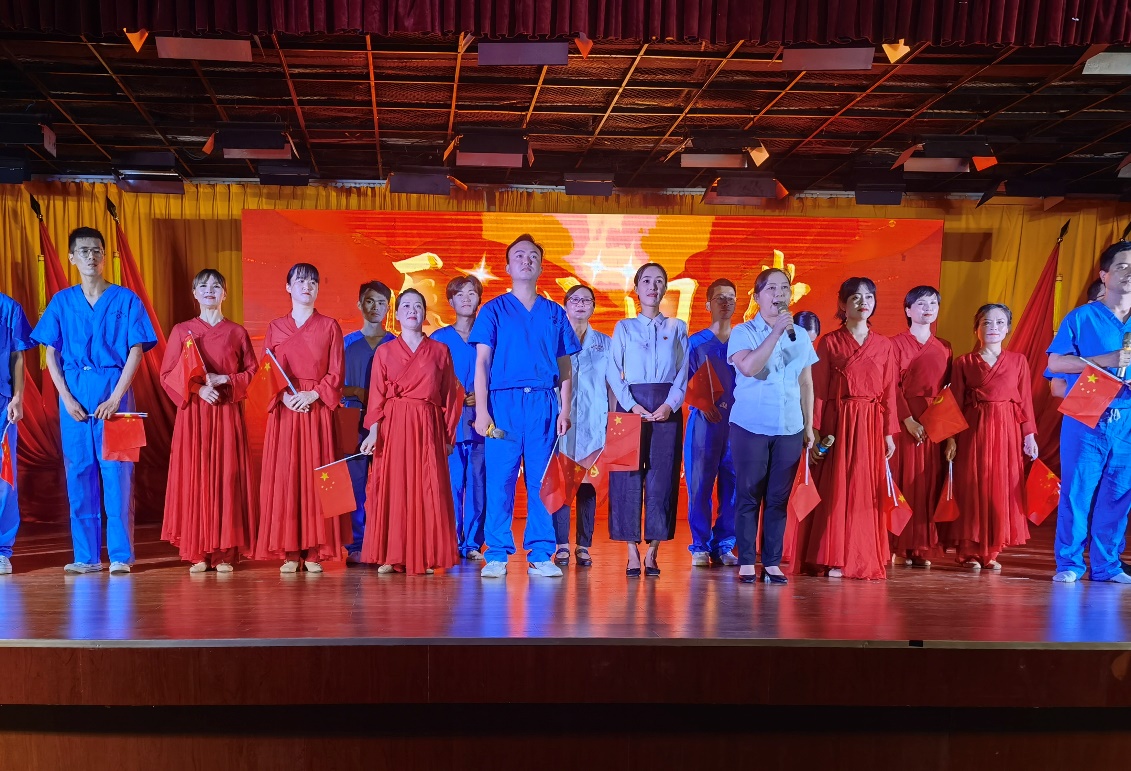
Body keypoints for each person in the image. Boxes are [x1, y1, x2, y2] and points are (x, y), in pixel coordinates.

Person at [32, 227, 157, 575]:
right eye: (84, 251)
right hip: (74, 393)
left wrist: (116, 397)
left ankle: (120, 556)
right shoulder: (62, 302)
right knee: (79, 473)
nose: (91, 256)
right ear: (72, 257)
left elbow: (136, 351)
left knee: (118, 474)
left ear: (104, 257)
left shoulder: (126, 300)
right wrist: (65, 397)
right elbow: (51, 353)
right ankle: (86, 556)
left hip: (116, 391)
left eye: (97, 250)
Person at [470, 235, 579, 578]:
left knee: (542, 481)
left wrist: (564, 410)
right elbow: (482, 363)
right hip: (503, 405)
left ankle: (542, 553)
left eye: (533, 256)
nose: (526, 260)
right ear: (507, 267)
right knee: (500, 480)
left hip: (543, 405)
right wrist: (482, 410)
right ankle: (497, 553)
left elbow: (565, 367)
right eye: (519, 255)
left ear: (541, 266)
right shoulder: (493, 310)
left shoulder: (554, 313)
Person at [793, 277, 897, 580]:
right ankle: (833, 555)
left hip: (871, 423)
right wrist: (813, 428)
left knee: (866, 490)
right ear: (843, 303)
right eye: (855, 298)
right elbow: (818, 389)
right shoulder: (830, 342)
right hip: (838, 422)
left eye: (869, 297)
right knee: (837, 487)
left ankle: (861, 555)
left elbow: (889, 392)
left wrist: (888, 433)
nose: (863, 302)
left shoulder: (885, 345)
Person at [159, 269, 258, 573]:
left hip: (226, 413)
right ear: (195, 293)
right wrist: (198, 389)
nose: (210, 290)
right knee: (196, 477)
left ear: (225, 293)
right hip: (194, 417)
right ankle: (198, 551)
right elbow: (167, 375)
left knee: (227, 478)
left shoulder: (236, 332)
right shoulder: (182, 331)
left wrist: (226, 378)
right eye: (203, 286)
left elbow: (253, 374)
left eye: (216, 286)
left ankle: (224, 552)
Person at [359, 289, 462, 575]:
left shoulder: (440, 351)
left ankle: (425, 555)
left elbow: (450, 395)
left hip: (427, 425)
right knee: (394, 487)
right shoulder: (384, 352)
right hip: (393, 426)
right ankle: (391, 554)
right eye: (406, 306)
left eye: (418, 306)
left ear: (425, 313)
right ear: (397, 313)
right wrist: (373, 433)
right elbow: (376, 397)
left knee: (427, 487)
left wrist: (447, 436)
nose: (412, 310)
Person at [254, 263, 347, 573]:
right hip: (286, 412)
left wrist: (313, 394)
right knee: (287, 477)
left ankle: (318, 550)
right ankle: (290, 550)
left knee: (321, 476)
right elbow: (266, 371)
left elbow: (336, 372)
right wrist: (284, 397)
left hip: (317, 411)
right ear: (288, 287)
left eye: (313, 282)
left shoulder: (330, 326)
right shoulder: (275, 327)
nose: (307, 286)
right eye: (300, 281)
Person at [1047, 242, 1131, 583]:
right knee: (1077, 491)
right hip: (1088, 408)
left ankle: (1108, 565)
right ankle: (1069, 563)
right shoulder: (1082, 317)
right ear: (1104, 275)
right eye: (1122, 266)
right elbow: (1056, 363)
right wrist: (1104, 361)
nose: (1129, 273)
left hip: (1127, 415)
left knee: (1119, 494)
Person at [727, 269, 817, 584]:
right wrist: (776, 333)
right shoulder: (743, 332)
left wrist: (809, 425)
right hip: (750, 425)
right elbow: (749, 367)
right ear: (757, 296)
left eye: (784, 288)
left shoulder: (800, 335)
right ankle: (747, 560)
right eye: (771, 288)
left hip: (789, 426)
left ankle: (772, 562)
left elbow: (806, 382)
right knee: (749, 494)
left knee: (778, 497)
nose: (779, 294)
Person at [607, 262, 689, 577]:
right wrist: (631, 405)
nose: (652, 287)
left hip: (666, 407)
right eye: (646, 281)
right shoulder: (624, 327)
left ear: (665, 288)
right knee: (625, 478)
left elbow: (683, 371)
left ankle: (653, 552)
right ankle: (631, 552)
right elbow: (613, 371)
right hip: (629, 406)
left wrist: (670, 404)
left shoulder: (677, 327)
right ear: (636, 288)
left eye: (658, 281)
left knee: (662, 478)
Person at [944, 304, 1037, 571]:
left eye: (999, 322)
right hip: (974, 429)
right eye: (986, 322)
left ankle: (992, 552)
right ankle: (969, 552)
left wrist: (1029, 435)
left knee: (1001, 488)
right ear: (976, 329)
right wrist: (951, 438)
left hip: (1007, 430)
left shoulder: (1018, 361)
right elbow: (954, 403)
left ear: (1007, 329)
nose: (993, 327)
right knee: (972, 486)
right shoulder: (964, 362)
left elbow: (1025, 402)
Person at [889, 286, 952, 568]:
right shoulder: (894, 344)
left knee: (927, 482)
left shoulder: (945, 347)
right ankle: (894, 543)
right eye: (921, 303)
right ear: (907, 309)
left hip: (933, 421)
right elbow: (890, 387)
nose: (928, 309)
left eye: (933, 304)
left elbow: (948, 389)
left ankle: (920, 546)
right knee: (901, 479)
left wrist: (943, 428)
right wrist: (907, 419)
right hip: (903, 419)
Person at [552, 284, 611, 568]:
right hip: (561, 420)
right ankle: (561, 544)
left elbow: (612, 383)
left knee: (588, 484)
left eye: (586, 300)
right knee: (563, 482)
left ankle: (583, 545)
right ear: (565, 305)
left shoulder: (605, 343)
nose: (580, 304)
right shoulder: (554, 339)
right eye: (574, 299)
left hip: (595, 420)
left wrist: (613, 419)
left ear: (593, 307)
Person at [431, 276, 487, 561]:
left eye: (472, 293)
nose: (466, 298)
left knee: (478, 484)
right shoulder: (438, 339)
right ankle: (449, 540)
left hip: (482, 423)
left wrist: (484, 395)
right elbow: (428, 380)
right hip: (449, 425)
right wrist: (454, 397)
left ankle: (473, 543)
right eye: (460, 294)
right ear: (450, 301)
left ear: (479, 299)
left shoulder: (489, 336)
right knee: (450, 484)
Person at [684, 278, 739, 567]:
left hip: (738, 424)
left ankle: (725, 544)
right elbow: (681, 381)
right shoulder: (695, 342)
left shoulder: (744, 340)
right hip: (705, 423)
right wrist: (702, 404)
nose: (725, 302)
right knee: (700, 484)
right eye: (719, 298)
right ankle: (700, 545)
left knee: (734, 485)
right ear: (707, 305)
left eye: (730, 297)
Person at [341, 281, 395, 564]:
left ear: (389, 307)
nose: (375, 307)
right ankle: (356, 544)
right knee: (354, 483)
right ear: (360, 304)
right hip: (353, 418)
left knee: (389, 482)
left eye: (381, 302)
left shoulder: (396, 344)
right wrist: (356, 391)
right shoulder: (345, 344)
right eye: (370, 301)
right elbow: (331, 383)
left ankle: (387, 543)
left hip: (389, 421)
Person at [0, 291, 33, 575]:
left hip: (1, 401)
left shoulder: (8, 308)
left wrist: (18, 397)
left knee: (4, 476)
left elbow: (17, 355)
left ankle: (1, 549)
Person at [1050, 279, 1106, 399]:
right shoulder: (1077, 329)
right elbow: (1057, 388)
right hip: (1091, 407)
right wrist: (1100, 398)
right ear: (1090, 304)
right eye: (1105, 297)